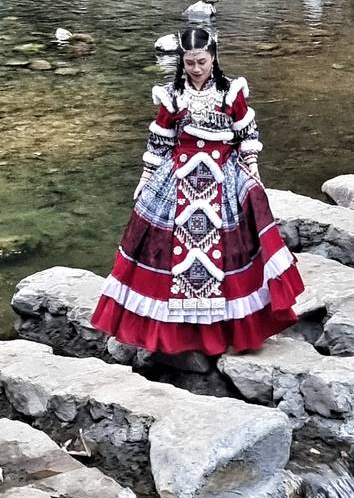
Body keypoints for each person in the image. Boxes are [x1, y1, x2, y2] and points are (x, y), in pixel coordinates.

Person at [91, 26, 304, 355]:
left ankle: (231, 329)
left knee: (236, 243)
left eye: (201, 61)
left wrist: (253, 170)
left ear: (213, 57)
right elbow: (160, 139)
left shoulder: (231, 91)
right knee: (159, 245)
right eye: (190, 62)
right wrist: (147, 177)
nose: (196, 68)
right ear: (182, 61)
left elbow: (246, 133)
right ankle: (178, 335)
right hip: (178, 177)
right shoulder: (172, 95)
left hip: (223, 175)